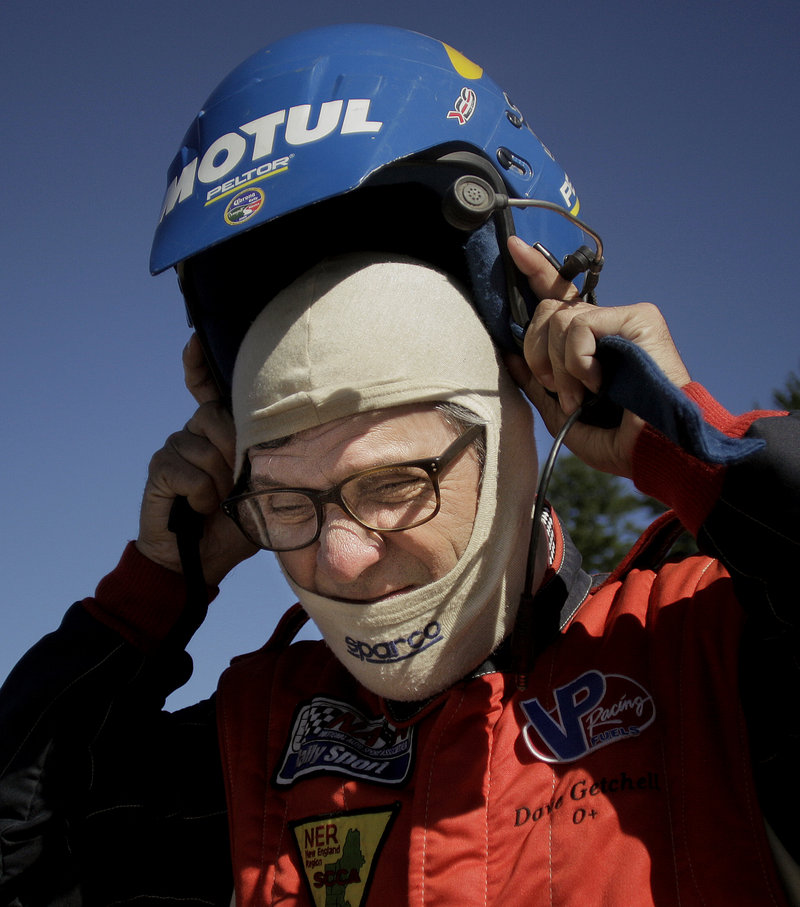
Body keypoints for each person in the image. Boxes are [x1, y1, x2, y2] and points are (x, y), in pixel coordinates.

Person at [1, 23, 798, 907]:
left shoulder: (695, 660)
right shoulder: (260, 740)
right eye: (287, 504)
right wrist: (154, 584)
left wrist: (691, 447)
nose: (339, 558)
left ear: (532, 384)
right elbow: (18, 847)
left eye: (395, 483)